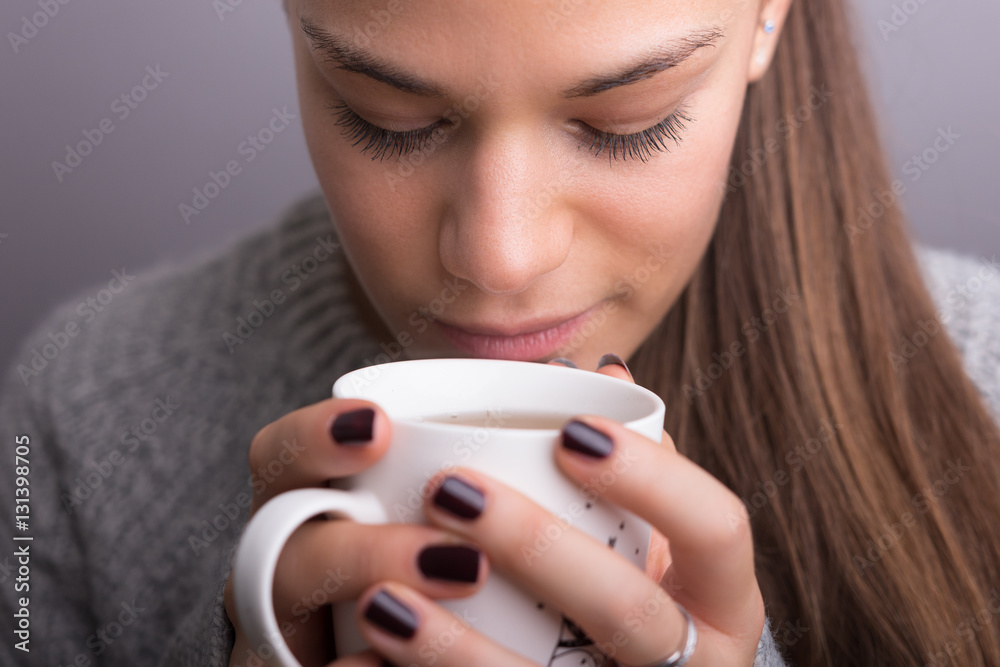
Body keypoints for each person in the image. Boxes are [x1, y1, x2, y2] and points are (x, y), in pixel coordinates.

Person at [2, 0, 1000, 665]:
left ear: (767, 16)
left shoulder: (986, 379)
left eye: (624, 121)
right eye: (385, 117)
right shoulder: (75, 415)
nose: (499, 257)